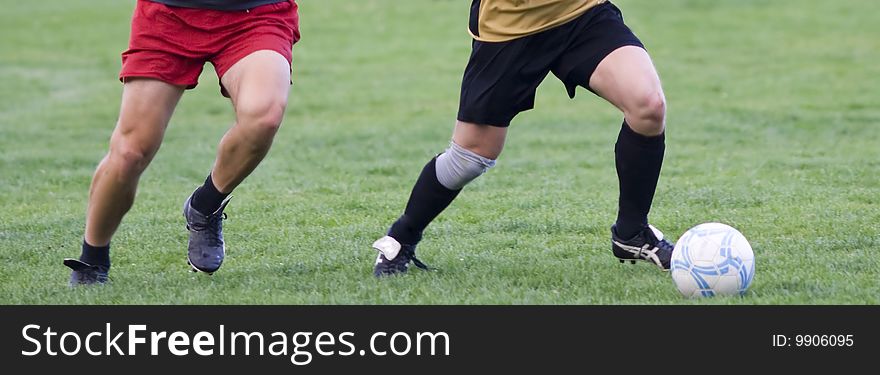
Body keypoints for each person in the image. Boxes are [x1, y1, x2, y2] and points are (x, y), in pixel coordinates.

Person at [372, 0, 674, 276]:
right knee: (469, 158)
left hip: (582, 12)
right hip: (510, 26)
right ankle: (402, 236)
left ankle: (631, 233)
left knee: (648, 106)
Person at [63, 0, 301, 285]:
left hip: (256, 14)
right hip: (168, 15)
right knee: (130, 152)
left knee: (264, 116)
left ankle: (206, 204)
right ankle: (93, 257)